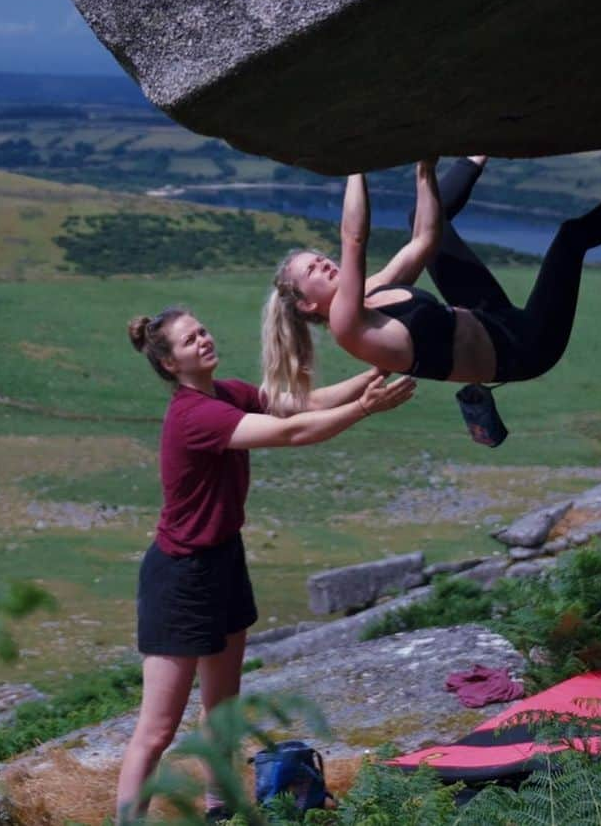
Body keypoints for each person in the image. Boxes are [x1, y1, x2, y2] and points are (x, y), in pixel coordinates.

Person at [116, 308, 415, 824]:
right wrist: (365, 409)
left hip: (225, 561)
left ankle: (220, 811)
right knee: (157, 730)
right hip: (180, 577)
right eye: (190, 340)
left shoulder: (226, 392)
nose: (204, 339)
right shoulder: (194, 415)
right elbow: (292, 433)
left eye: (203, 330)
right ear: (169, 363)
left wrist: (372, 376)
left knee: (222, 710)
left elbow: (302, 404)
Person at [263, 146, 601, 401]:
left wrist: (425, 168)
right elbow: (354, 238)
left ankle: (479, 149)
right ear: (308, 303)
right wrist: (354, 166)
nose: (323, 262)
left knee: (423, 218)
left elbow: (425, 240)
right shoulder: (348, 326)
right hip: (525, 347)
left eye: (318, 257)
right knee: (570, 238)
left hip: (488, 316)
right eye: (312, 269)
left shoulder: (373, 290)